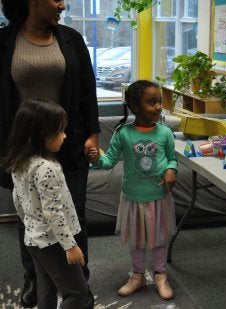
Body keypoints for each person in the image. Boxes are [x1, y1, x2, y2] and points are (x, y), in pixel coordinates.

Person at [0, 1, 100, 308]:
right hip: (21, 148)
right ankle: (35, 278)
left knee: (74, 215)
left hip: (67, 144)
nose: (63, 3)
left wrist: (93, 133)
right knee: (28, 215)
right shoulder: (3, 41)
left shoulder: (71, 39)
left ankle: (78, 282)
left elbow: (87, 89)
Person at [88, 80, 178, 300]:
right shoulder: (123, 133)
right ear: (135, 107)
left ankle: (160, 274)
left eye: (159, 101)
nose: (158, 106)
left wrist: (171, 170)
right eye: (151, 102)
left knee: (159, 238)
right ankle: (137, 275)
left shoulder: (165, 133)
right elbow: (108, 161)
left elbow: (172, 160)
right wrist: (96, 157)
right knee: (137, 240)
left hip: (159, 198)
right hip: (133, 199)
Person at [2, 99, 89, 309]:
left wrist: (31, 225)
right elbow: (53, 213)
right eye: (60, 131)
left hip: (33, 239)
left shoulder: (20, 162)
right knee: (78, 293)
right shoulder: (47, 168)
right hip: (54, 242)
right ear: (42, 134)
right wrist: (70, 246)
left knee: (46, 289)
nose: (65, 136)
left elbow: (18, 199)